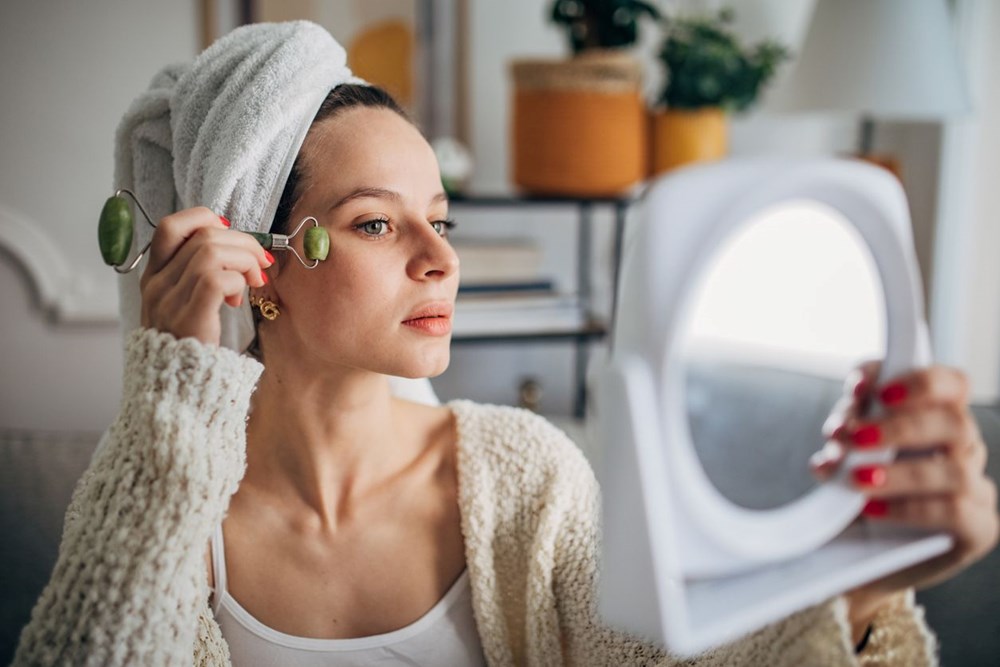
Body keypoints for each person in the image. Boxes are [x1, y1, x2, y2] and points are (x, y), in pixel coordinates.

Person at [12, 21, 998, 667]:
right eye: (374, 223)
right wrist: (175, 387)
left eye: (438, 216)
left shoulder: (520, 474)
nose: (440, 257)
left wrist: (860, 590)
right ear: (255, 261)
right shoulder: (160, 494)